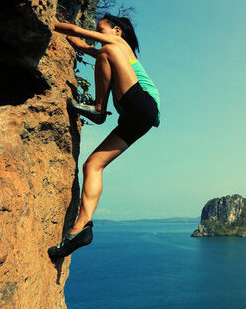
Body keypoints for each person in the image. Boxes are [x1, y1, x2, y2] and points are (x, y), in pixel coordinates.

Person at [48, 14, 161, 258]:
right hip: (138, 117)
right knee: (92, 165)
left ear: (117, 31)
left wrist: (49, 21)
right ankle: (81, 228)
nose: (98, 34)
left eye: (101, 29)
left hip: (143, 104)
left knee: (106, 51)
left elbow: (83, 34)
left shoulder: (119, 46)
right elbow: (93, 50)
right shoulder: (113, 54)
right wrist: (82, 47)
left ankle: (99, 108)